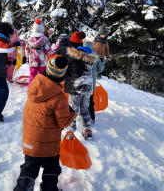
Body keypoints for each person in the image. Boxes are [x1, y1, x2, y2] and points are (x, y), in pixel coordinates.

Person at [13, 56, 76, 191]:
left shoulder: (35, 86)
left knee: (29, 169)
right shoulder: (59, 98)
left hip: (30, 142)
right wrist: (71, 113)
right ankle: (48, 188)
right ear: (62, 76)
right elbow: (63, 122)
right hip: (48, 144)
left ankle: (22, 188)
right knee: (52, 168)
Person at [64, 40, 99, 140]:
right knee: (85, 110)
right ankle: (87, 130)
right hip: (88, 87)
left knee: (72, 110)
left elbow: (66, 70)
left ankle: (70, 132)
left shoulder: (73, 58)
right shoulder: (90, 60)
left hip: (76, 87)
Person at [25, 18, 54, 87]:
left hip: (32, 62)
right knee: (43, 76)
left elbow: (27, 51)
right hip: (42, 62)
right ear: (41, 29)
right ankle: (42, 89)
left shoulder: (29, 40)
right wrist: (53, 53)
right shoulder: (44, 39)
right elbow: (48, 50)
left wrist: (28, 57)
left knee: (32, 76)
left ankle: (31, 90)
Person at [83, 40, 105, 126]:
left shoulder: (80, 54)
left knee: (81, 101)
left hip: (81, 82)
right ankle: (91, 119)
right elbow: (100, 69)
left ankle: (79, 119)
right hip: (90, 84)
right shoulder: (95, 55)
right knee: (90, 102)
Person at [1, 11, 24, 82]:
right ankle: (2, 78)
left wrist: (21, 46)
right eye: (5, 23)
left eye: (8, 24)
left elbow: (19, 42)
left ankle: (9, 78)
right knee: (2, 66)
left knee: (11, 67)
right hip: (2, 53)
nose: (6, 25)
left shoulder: (14, 33)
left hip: (11, 54)